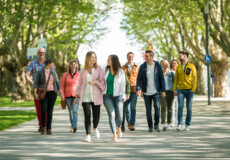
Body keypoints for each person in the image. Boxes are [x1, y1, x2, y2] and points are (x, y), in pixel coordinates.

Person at [74, 51, 106, 142]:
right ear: (88, 58)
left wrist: (96, 82)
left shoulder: (99, 68)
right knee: (87, 115)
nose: (94, 59)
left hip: (96, 95)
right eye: (92, 57)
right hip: (86, 96)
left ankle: (95, 127)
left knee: (96, 116)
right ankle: (88, 135)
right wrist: (76, 96)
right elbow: (80, 84)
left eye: (95, 57)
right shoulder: (83, 70)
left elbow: (103, 82)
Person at [26, 48, 54, 132]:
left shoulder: (49, 63)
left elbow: (54, 74)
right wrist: (30, 80)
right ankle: (41, 125)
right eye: (40, 53)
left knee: (46, 108)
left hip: (48, 89)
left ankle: (45, 125)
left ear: (45, 54)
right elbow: (27, 74)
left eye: (43, 53)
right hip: (37, 89)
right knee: (39, 108)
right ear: (37, 54)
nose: (41, 54)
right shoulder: (32, 63)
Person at [136, 50, 166, 132]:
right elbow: (139, 79)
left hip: (156, 91)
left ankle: (156, 125)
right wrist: (138, 89)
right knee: (148, 110)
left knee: (157, 108)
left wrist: (163, 90)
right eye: (145, 56)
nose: (145, 57)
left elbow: (161, 78)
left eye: (147, 56)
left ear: (152, 57)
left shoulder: (157, 66)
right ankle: (150, 126)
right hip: (146, 92)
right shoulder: (142, 66)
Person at [34, 58, 64, 135]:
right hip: (43, 93)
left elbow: (57, 83)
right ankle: (43, 127)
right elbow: (36, 83)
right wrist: (35, 92)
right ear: (48, 64)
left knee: (50, 111)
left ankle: (49, 128)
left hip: (53, 93)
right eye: (52, 63)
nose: (53, 65)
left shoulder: (53, 72)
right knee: (43, 111)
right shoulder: (40, 72)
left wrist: (61, 93)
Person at [103, 55, 126, 142]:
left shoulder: (120, 71)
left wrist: (123, 95)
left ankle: (118, 127)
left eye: (109, 59)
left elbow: (123, 85)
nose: (107, 60)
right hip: (107, 96)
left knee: (120, 116)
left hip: (118, 96)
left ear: (114, 61)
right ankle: (114, 134)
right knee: (112, 115)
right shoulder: (105, 70)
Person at [173, 51, 197, 131]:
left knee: (189, 108)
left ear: (185, 56)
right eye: (179, 55)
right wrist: (174, 89)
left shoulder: (192, 66)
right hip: (180, 90)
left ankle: (187, 125)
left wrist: (193, 89)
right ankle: (179, 124)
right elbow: (176, 78)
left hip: (190, 90)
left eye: (181, 56)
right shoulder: (178, 67)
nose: (179, 57)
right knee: (180, 107)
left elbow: (195, 78)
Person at [61, 60, 80, 133]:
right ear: (69, 66)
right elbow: (62, 86)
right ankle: (72, 126)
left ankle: (74, 126)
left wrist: (79, 94)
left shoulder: (79, 75)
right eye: (72, 64)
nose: (73, 66)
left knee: (75, 110)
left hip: (76, 96)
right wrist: (63, 96)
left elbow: (81, 86)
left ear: (77, 66)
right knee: (70, 111)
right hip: (67, 96)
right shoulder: (65, 75)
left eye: (74, 65)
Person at [121, 52, 139, 132]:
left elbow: (139, 79)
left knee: (133, 108)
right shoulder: (123, 67)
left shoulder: (137, 67)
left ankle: (132, 124)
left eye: (132, 56)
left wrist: (139, 89)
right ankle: (124, 124)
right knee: (125, 108)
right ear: (126, 57)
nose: (130, 58)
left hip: (134, 90)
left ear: (133, 57)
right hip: (125, 91)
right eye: (129, 56)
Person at [160, 60, 174, 131]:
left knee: (170, 108)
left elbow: (175, 82)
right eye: (164, 64)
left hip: (170, 92)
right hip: (162, 92)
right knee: (163, 107)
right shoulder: (159, 73)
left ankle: (169, 123)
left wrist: (175, 90)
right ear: (161, 65)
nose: (165, 65)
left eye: (167, 64)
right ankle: (163, 122)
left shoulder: (172, 73)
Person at [170, 59, 179, 126]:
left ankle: (178, 120)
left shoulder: (180, 71)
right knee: (172, 107)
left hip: (179, 90)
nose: (174, 64)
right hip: (172, 91)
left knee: (179, 106)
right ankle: (172, 121)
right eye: (173, 63)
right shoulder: (170, 72)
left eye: (175, 63)